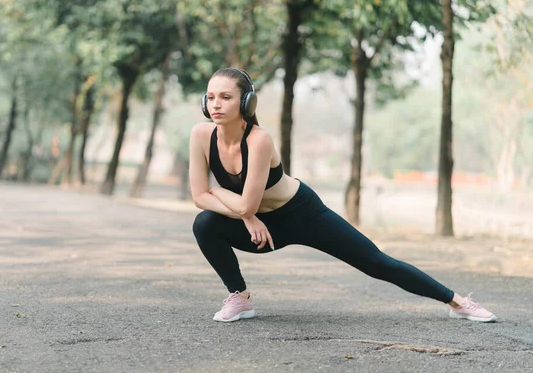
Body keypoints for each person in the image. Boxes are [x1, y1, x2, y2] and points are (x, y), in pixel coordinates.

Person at [189, 67, 497, 324]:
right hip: (260, 229)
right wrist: (242, 211)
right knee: (204, 223)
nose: (216, 104)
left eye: (226, 97)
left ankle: (457, 302)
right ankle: (239, 298)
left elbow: (242, 202)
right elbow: (199, 197)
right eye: (212, 97)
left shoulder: (259, 141)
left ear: (246, 103)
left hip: (302, 213)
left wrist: (224, 196)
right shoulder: (201, 135)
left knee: (377, 263)